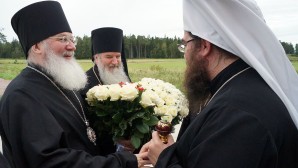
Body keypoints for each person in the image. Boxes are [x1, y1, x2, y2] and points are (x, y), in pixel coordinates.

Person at [140, 0, 298, 167]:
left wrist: (164, 158)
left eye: (185, 44)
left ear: (204, 46)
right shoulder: (242, 87)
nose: (184, 54)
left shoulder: (234, 115)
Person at [0, 1, 148, 168]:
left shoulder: (64, 81)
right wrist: (121, 162)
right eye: (63, 39)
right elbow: (51, 162)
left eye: (72, 39)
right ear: (36, 46)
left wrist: (116, 140)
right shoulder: (21, 95)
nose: (72, 46)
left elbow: (83, 132)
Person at [80, 27, 134, 155]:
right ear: (96, 58)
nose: (115, 62)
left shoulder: (123, 77)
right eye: (109, 57)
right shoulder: (84, 84)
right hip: (99, 154)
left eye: (118, 56)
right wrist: (117, 140)